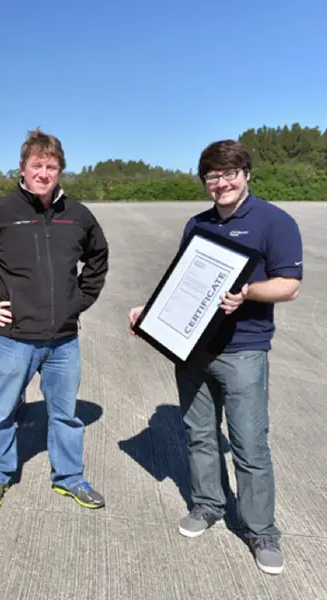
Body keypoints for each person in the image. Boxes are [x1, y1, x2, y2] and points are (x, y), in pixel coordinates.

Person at [128, 139, 303, 575]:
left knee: (248, 444)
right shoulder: (198, 223)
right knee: (200, 434)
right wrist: (149, 314)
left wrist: (248, 293)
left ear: (246, 175)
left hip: (244, 350)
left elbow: (289, 285)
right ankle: (208, 505)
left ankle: (262, 530)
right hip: (192, 350)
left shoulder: (273, 221)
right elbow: (182, 285)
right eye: (212, 176)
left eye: (229, 174)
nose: (221, 183)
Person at [0, 128, 109, 510]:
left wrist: (78, 301)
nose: (44, 173)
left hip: (64, 340)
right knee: (1, 411)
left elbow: (97, 259)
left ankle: (70, 477)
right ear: (23, 168)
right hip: (13, 339)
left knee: (65, 415)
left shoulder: (77, 215)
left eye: (51, 166)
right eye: (37, 166)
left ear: (60, 169)